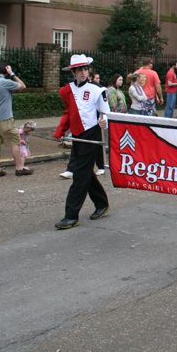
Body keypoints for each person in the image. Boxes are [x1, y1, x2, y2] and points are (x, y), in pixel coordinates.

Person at [53, 55, 110, 230]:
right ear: (73, 72)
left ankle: (71, 215)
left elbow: (107, 113)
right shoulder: (67, 90)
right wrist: (60, 131)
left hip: (92, 134)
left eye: (86, 69)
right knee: (85, 173)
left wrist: (104, 120)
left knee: (79, 175)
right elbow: (69, 112)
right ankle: (101, 203)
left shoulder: (97, 90)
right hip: (77, 135)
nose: (84, 72)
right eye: (80, 70)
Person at [0, 63, 31, 177]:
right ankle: (19, 168)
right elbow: (22, 86)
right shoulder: (6, 83)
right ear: (5, 72)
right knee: (15, 141)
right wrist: (12, 74)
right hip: (6, 118)